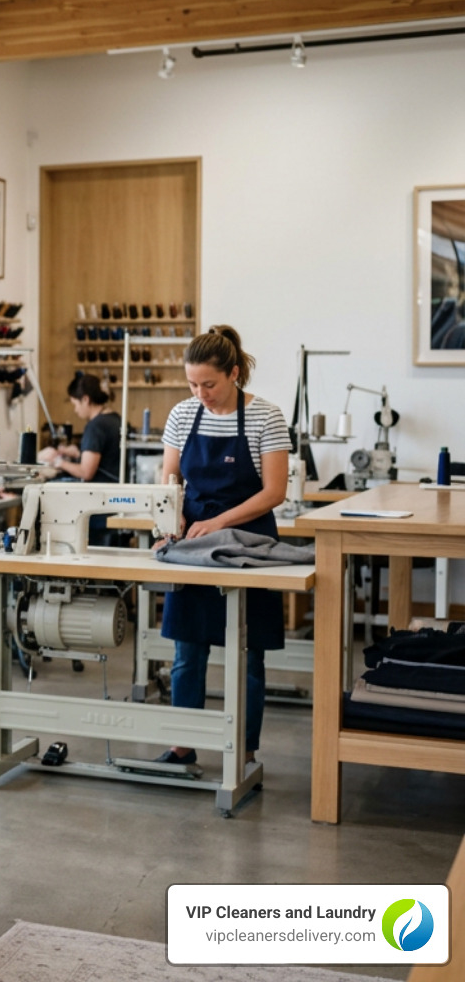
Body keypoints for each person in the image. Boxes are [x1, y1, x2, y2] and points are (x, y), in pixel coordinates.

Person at [155, 326, 290, 765]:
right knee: (187, 650)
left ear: (233, 373)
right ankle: (182, 745)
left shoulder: (265, 416)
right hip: (194, 542)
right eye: (192, 384)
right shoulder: (183, 414)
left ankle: (244, 753)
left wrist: (219, 522)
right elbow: (170, 476)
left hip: (249, 543)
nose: (201, 394)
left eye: (209, 384)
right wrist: (172, 512)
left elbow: (274, 492)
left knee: (248, 656)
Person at [41, 371, 121, 483]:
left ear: (85, 400)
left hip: (102, 488)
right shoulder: (114, 418)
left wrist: (58, 462)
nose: (75, 410)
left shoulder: (95, 426)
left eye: (75, 404)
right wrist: (77, 453)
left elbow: (86, 473)